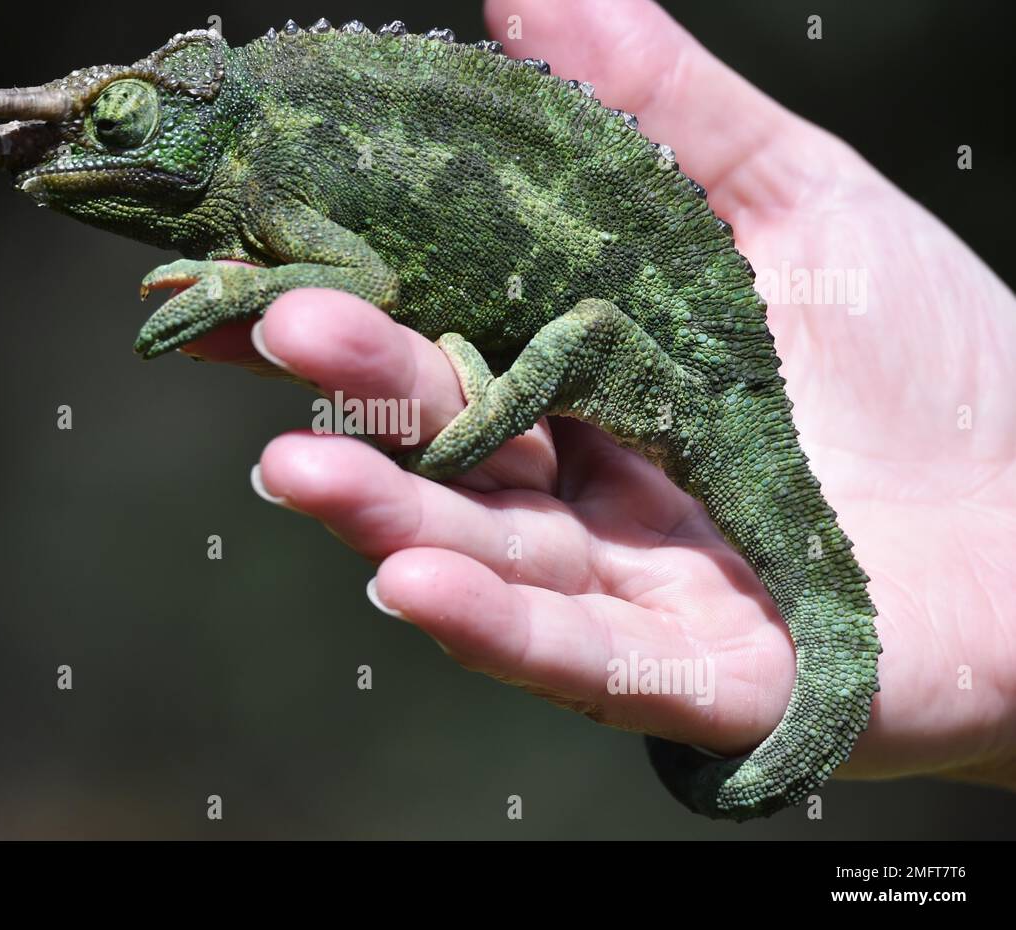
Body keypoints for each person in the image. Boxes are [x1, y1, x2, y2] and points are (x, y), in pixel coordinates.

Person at [184, 0, 1016, 791]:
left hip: (670, 362)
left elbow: (372, 275)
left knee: (581, 339)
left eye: (119, 120)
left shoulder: (267, 149)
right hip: (647, 345)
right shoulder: (293, 125)